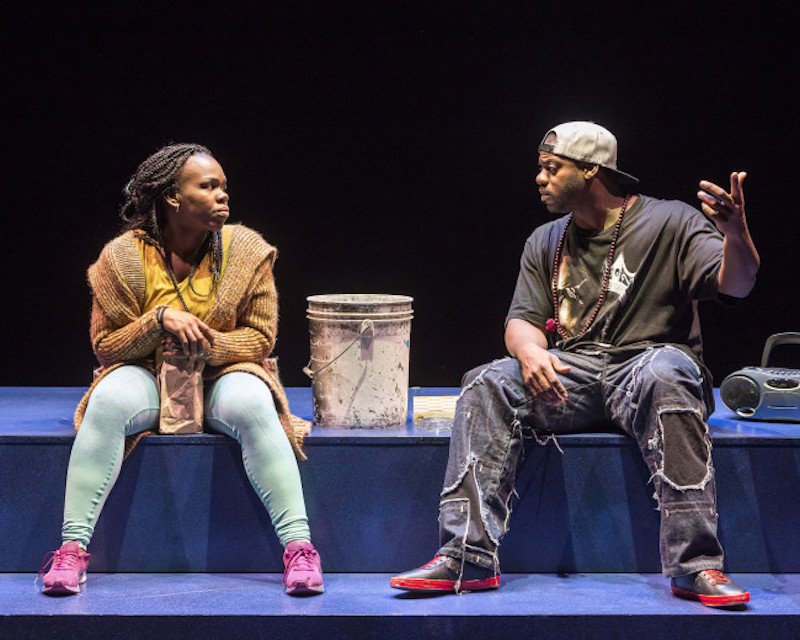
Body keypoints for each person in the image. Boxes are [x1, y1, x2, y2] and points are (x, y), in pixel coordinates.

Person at [390, 121, 759, 608]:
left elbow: (738, 283)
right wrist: (529, 352)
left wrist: (736, 234)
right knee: (486, 381)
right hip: (574, 375)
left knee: (667, 370)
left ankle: (696, 566)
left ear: (591, 170)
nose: (539, 178)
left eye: (551, 168)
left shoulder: (670, 221)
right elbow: (520, 322)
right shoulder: (546, 240)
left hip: (645, 367)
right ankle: (467, 557)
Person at [38, 143, 324, 597]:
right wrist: (157, 322)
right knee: (108, 400)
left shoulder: (247, 251)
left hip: (221, 376)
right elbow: (106, 348)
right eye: (208, 187)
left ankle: (300, 550)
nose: (222, 196)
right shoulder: (121, 259)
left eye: (224, 187)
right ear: (173, 197)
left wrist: (204, 345)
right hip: (146, 377)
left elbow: (260, 339)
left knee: (254, 403)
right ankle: (71, 550)